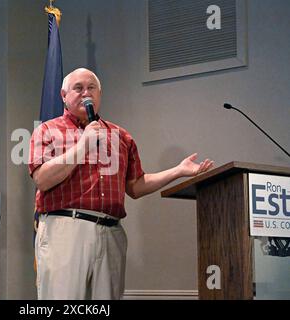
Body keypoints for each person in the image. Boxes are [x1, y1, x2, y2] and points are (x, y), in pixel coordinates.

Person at [28, 68, 214, 300]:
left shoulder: (121, 136)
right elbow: (42, 180)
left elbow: (135, 186)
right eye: (78, 88)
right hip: (66, 227)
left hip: (111, 231)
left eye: (91, 88)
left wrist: (178, 171)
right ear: (63, 95)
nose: (86, 93)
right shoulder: (47, 130)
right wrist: (83, 145)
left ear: (100, 94)